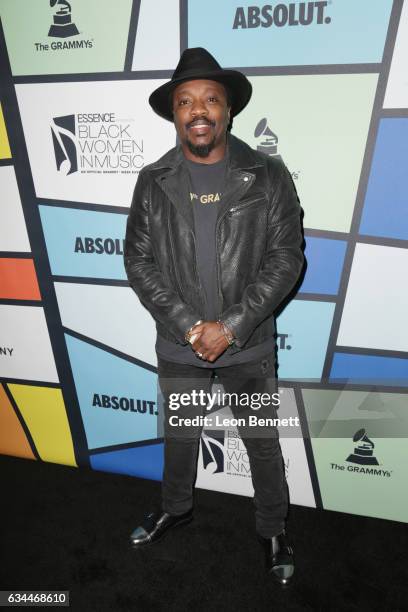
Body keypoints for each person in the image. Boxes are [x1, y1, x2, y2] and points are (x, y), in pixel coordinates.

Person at [124, 47, 304, 586]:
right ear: (175, 114)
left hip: (246, 345)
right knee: (179, 437)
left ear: (228, 111)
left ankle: (273, 530)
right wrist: (187, 324)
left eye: (209, 100)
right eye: (185, 101)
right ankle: (176, 508)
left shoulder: (268, 175)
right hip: (179, 343)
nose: (197, 110)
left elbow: (286, 257)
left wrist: (230, 327)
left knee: (262, 443)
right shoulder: (153, 180)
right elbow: (138, 258)